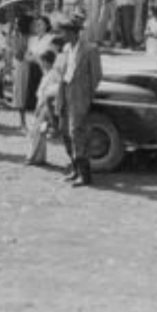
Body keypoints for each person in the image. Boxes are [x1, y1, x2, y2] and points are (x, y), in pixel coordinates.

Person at [56, 13, 102, 187]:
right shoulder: (67, 49)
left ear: (75, 33)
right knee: (64, 131)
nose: (63, 35)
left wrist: (86, 96)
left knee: (77, 133)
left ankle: (85, 175)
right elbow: (63, 73)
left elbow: (96, 76)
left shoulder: (90, 49)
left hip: (79, 95)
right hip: (66, 91)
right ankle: (75, 169)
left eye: (66, 32)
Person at [25, 49, 61, 166]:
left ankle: (33, 156)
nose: (42, 64)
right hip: (41, 104)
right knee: (40, 132)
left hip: (45, 106)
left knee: (36, 132)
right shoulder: (48, 73)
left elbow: (49, 93)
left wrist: (40, 107)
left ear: (48, 62)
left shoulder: (53, 74)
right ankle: (39, 157)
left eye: (43, 61)